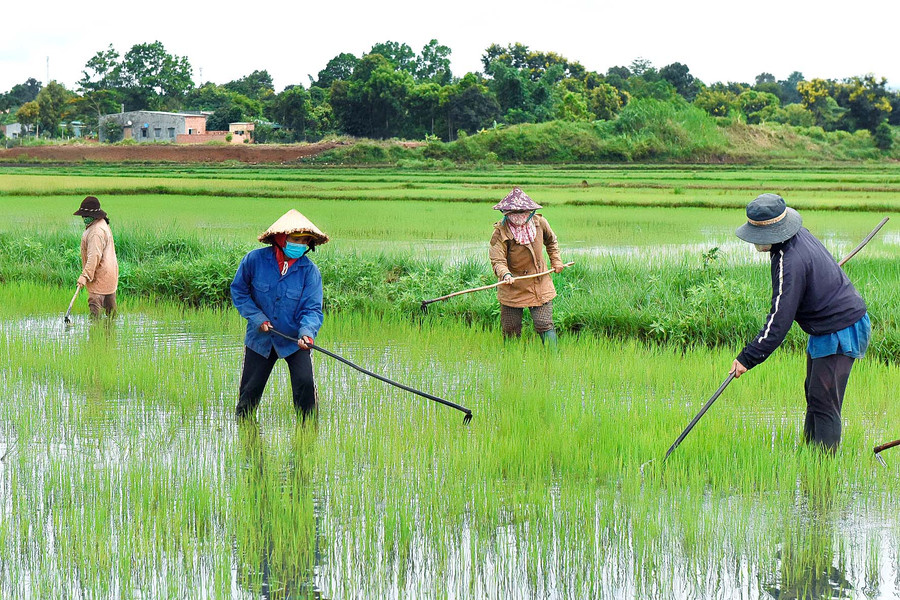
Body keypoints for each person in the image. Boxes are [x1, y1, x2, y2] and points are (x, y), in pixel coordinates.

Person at [729, 194, 870, 451]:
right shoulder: (796, 238)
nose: (755, 242)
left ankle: (822, 474)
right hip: (825, 328)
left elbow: (779, 320)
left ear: (773, 232)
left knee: (825, 403)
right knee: (814, 396)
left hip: (841, 328)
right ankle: (809, 457)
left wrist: (747, 358)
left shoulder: (788, 261)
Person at [231, 209, 328, 421]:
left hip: (295, 340)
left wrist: (306, 333)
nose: (300, 244)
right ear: (281, 238)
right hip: (261, 339)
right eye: (296, 239)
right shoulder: (253, 261)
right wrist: (258, 318)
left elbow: (312, 309)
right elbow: (239, 291)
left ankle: (307, 437)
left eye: (305, 240)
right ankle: (246, 439)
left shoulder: (310, 272)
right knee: (249, 395)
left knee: (305, 386)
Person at [489, 187, 565, 344]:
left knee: (544, 323)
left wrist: (556, 261)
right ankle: (511, 359)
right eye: (513, 212)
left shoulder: (540, 223)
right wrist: (505, 274)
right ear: (506, 212)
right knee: (510, 327)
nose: (518, 216)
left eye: (522, 211)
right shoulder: (500, 232)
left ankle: (553, 359)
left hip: (538, 282)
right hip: (512, 285)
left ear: (530, 211)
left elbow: (551, 241)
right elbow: (498, 260)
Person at [74, 196, 119, 319]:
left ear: (92, 215)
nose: (83, 218)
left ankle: (94, 335)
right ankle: (110, 334)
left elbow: (94, 256)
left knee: (95, 310)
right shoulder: (102, 223)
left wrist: (85, 276)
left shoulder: (96, 232)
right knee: (111, 313)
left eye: (85, 215)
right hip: (110, 274)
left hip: (99, 275)